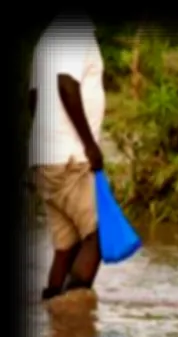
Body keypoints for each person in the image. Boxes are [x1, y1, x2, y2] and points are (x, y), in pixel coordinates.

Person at [28, 12, 107, 302]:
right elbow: (66, 84)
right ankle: (73, 319)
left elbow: (34, 99)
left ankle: (56, 328)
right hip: (69, 158)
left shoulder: (48, 36)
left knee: (66, 246)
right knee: (99, 236)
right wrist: (89, 145)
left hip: (47, 159)